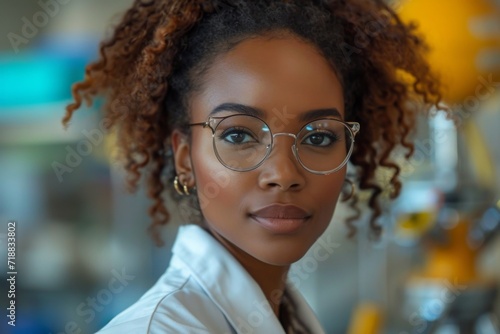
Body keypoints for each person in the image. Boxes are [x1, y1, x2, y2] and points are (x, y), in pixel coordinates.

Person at [63, 0, 444, 332]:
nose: (284, 174)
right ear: (184, 159)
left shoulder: (290, 316)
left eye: (319, 137)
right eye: (238, 136)